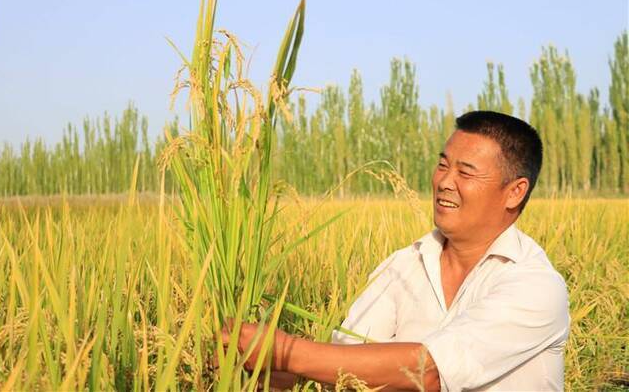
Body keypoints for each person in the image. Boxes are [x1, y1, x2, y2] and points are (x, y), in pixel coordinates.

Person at [223, 111, 570, 391]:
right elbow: (348, 364)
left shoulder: (535, 285)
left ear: (514, 192)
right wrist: (273, 367)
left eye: (466, 172)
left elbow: (430, 371)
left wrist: (286, 352)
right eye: (443, 165)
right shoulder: (404, 265)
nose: (445, 181)